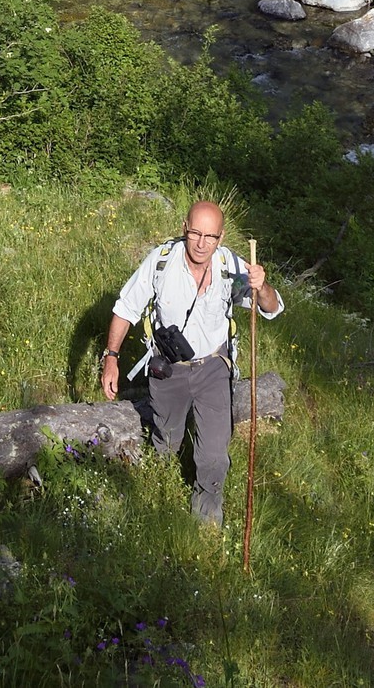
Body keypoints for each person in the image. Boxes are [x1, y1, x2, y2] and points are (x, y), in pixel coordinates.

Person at [99, 200, 281, 526]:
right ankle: (160, 485)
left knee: (213, 455)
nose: (201, 243)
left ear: (221, 237)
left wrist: (261, 285)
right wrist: (111, 359)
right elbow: (125, 308)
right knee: (167, 440)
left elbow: (270, 307)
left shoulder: (231, 267)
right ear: (185, 228)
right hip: (168, 368)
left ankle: (206, 521)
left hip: (213, 367)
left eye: (209, 236)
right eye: (195, 233)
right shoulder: (161, 263)